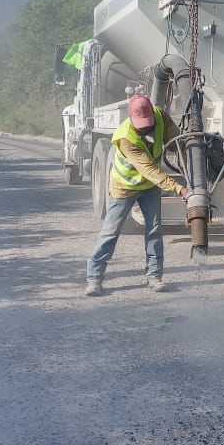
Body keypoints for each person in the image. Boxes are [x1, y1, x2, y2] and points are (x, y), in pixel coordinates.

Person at [85, 94, 187, 296]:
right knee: (111, 231)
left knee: (154, 229)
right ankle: (94, 278)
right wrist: (180, 189)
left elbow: (176, 141)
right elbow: (149, 169)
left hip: (149, 187)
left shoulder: (160, 116)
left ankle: (154, 276)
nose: (145, 128)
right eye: (141, 125)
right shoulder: (126, 137)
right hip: (125, 186)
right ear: (131, 118)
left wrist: (191, 151)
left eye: (148, 123)